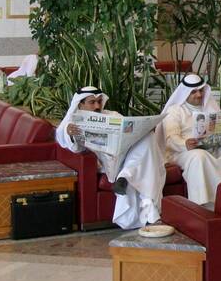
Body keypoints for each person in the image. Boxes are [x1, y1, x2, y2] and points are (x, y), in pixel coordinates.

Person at [56, 86, 166, 229]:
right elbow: (65, 139)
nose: (97, 106)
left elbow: (129, 128)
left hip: (127, 156)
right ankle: (128, 179)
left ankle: (125, 177)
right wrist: (69, 133)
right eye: (92, 102)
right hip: (108, 163)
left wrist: (145, 128)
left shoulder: (111, 115)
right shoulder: (73, 122)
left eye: (99, 101)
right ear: (80, 104)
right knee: (146, 162)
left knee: (148, 137)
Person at [158, 73, 221, 206]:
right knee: (200, 156)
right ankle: (204, 205)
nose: (199, 95)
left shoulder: (210, 106)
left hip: (212, 147)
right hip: (183, 152)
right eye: (193, 92)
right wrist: (185, 144)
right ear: (185, 93)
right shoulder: (175, 111)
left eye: (200, 90)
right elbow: (171, 139)